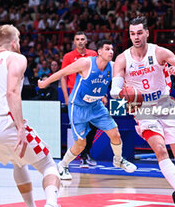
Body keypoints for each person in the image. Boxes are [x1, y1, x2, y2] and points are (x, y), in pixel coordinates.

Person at [0, 25, 70, 207]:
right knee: (49, 164)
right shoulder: (17, 58)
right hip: (4, 122)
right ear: (15, 43)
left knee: (18, 162)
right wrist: (20, 127)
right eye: (20, 41)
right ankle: (51, 205)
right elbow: (12, 92)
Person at [111, 16, 175, 207]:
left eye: (140, 32)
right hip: (143, 109)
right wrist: (119, 93)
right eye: (132, 33)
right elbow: (116, 85)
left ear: (147, 33)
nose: (136, 37)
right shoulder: (123, 58)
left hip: (166, 105)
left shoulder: (159, 52)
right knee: (159, 149)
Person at [38, 40, 137, 180]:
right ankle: (63, 165)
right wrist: (45, 82)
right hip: (78, 107)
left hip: (96, 106)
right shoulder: (86, 63)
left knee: (115, 133)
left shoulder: (113, 67)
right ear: (99, 52)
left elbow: (129, 77)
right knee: (80, 144)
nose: (111, 52)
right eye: (107, 49)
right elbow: (63, 72)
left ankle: (119, 160)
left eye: (112, 49)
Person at [60, 31, 99, 168]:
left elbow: (99, 73)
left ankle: (86, 153)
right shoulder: (68, 57)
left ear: (86, 41)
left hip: (92, 95)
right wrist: (66, 96)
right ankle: (83, 155)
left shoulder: (93, 54)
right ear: (74, 42)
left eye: (83, 39)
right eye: (78, 39)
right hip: (75, 96)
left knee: (93, 124)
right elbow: (63, 77)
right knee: (81, 126)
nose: (80, 41)